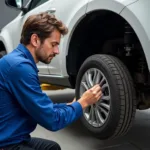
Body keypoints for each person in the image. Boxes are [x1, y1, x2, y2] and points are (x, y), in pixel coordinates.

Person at [0, 12, 102, 150]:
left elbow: (39, 105)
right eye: (53, 44)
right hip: (7, 144)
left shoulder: (18, 61)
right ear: (35, 40)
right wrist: (83, 102)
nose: (57, 51)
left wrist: (70, 105)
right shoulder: (20, 68)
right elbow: (52, 120)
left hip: (15, 137)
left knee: (52, 147)